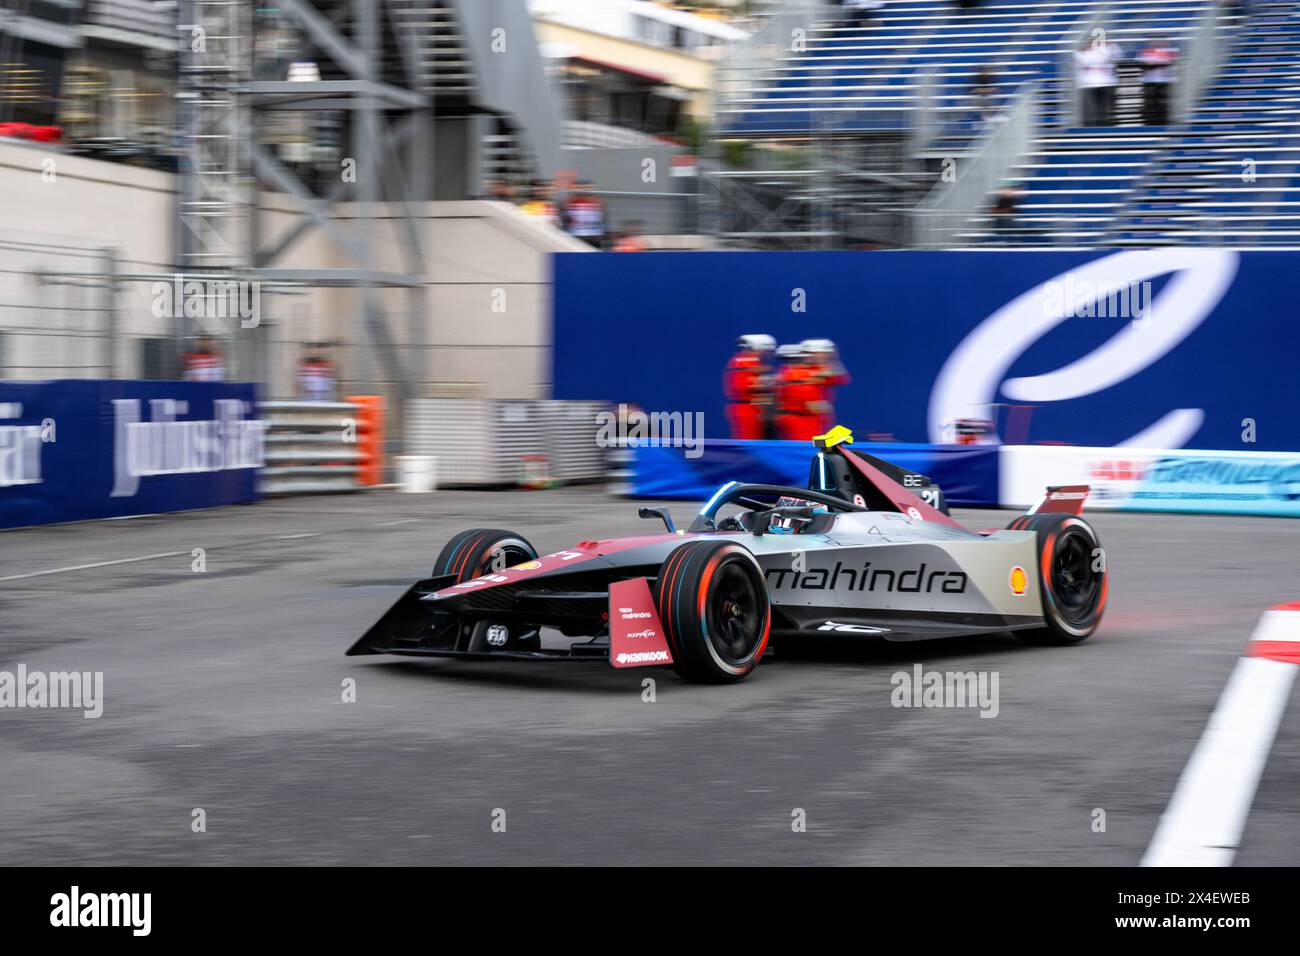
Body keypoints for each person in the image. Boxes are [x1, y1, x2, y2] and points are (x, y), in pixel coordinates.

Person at [724, 334, 776, 440]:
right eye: (765, 350)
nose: (766, 354)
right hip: (748, 409)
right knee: (750, 443)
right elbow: (749, 386)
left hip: (745, 407)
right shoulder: (747, 360)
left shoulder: (738, 360)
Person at [775, 345, 826, 442]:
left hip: (794, 420)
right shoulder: (796, 375)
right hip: (801, 423)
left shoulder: (784, 373)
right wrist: (822, 406)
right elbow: (810, 405)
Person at [800, 338, 850, 435]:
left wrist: (834, 358)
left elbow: (842, 377)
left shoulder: (822, 369)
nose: (826, 356)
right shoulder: (799, 371)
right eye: (823, 353)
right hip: (804, 420)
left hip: (821, 420)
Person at [1075, 36, 1119, 127]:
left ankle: (1106, 127)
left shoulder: (1107, 50)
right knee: (1089, 110)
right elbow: (1084, 61)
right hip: (1088, 84)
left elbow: (1116, 55)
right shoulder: (1083, 53)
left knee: (1105, 109)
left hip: (1106, 83)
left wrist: (1112, 44)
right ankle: (1090, 128)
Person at [1138, 36, 1178, 126]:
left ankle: (1164, 124)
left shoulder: (1170, 51)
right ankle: (1149, 124)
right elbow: (1143, 65)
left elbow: (1172, 63)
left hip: (1166, 81)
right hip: (1150, 81)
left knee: (1164, 105)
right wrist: (1161, 64)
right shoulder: (1146, 51)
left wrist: (1155, 64)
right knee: (1150, 105)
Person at [562, 181, 607, 249]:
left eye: (588, 187)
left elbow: (603, 218)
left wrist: (603, 232)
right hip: (577, 235)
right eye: (582, 187)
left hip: (593, 236)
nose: (585, 189)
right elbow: (566, 218)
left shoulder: (597, 201)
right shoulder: (571, 201)